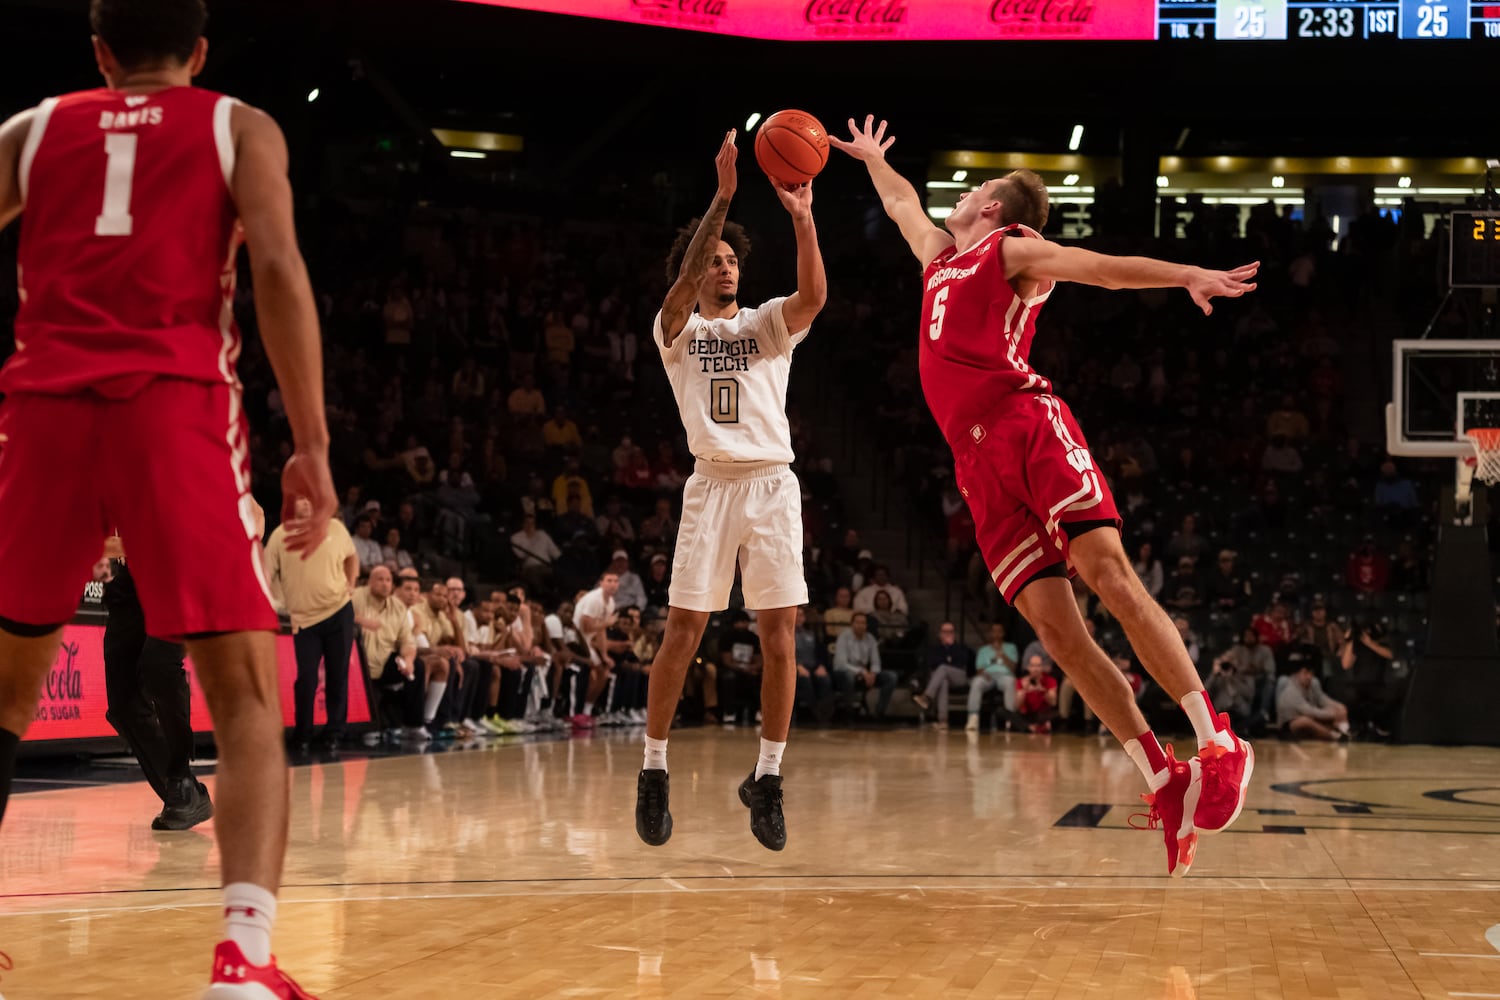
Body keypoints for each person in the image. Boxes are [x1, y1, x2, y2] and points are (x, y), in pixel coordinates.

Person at [0, 4, 336, 994]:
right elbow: (276, 267)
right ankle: (241, 957)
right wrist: (310, 444)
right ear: (198, 51)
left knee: (6, 694)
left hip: (45, 409)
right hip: (169, 409)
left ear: (99, 53)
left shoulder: (34, 128)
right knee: (243, 695)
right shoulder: (239, 124)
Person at [836, 115, 1256, 877]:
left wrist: (1184, 274)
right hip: (976, 467)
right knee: (1059, 636)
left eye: (976, 190)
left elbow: (1100, 268)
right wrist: (871, 161)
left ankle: (1217, 737)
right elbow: (902, 205)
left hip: (1026, 426)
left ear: (996, 209)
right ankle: (1163, 779)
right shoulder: (940, 257)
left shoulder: (1011, 252)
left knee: (1109, 577)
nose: (960, 196)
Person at [635, 129, 826, 854]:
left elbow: (815, 294)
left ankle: (768, 779)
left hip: (773, 488)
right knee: (684, 633)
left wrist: (802, 218)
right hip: (712, 487)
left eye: (730, 259)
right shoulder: (673, 330)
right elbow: (681, 285)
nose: (724, 266)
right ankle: (654, 770)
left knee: (782, 637)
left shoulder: (766, 325)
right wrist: (720, 199)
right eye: (713, 259)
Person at [101, 534, 211, 831]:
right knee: (122, 704)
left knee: (159, 664)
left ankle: (179, 777)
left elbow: (255, 513)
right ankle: (184, 792)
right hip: (130, 579)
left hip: (180, 570)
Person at [264, 497, 359, 754]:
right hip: (304, 618)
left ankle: (334, 733)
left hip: (339, 611)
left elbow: (352, 557)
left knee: (337, 674)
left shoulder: (335, 528)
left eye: (310, 498)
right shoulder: (281, 535)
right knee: (306, 678)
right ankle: (302, 734)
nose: (306, 503)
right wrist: (272, 602)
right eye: (300, 499)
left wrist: (350, 584)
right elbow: (265, 571)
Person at [967, 622, 1019, 732]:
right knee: (976, 682)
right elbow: (979, 669)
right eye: (994, 631)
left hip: (1005, 676)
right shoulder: (983, 650)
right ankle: (973, 717)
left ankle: (1010, 719)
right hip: (987, 676)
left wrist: (1003, 655)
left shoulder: (1011, 647)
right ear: (990, 633)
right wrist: (984, 674)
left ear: (1003, 633)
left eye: (999, 631)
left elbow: (1014, 668)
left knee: (1011, 682)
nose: (996, 634)